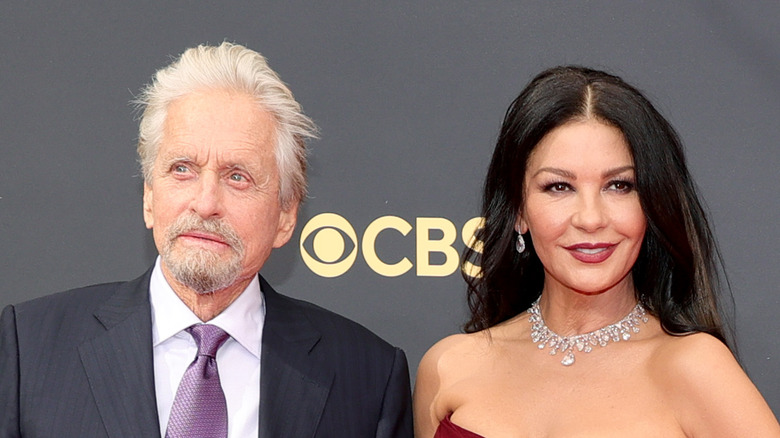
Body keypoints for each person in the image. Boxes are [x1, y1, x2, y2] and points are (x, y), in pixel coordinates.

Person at [0, 42, 412, 438]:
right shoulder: (30, 346)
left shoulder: (368, 376)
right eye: (182, 169)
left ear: (286, 215)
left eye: (238, 176)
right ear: (148, 196)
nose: (206, 202)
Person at [414, 66, 780, 437]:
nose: (590, 218)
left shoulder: (696, 369)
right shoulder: (449, 367)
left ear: (652, 206)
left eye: (619, 185)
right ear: (519, 211)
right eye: (558, 187)